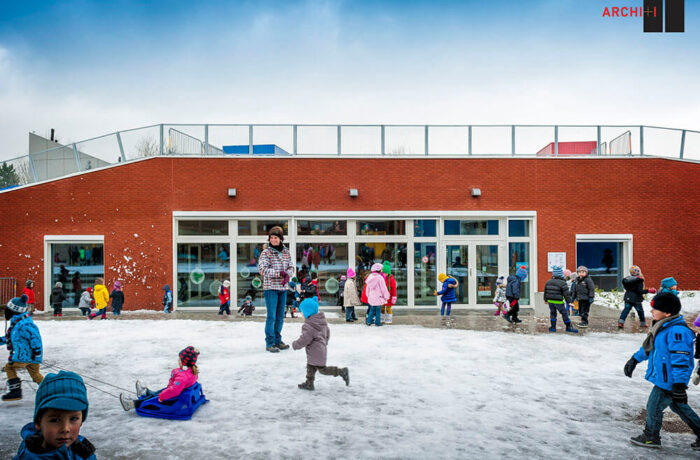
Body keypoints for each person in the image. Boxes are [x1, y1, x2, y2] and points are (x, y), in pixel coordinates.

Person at [623, 292, 700, 451]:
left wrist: (679, 385)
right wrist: (634, 360)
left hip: (670, 380)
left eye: (655, 309)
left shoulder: (677, 332)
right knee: (679, 408)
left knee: (654, 406)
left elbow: (682, 361)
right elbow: (650, 349)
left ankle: (651, 436)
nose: (651, 312)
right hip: (666, 378)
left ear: (667, 312)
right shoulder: (662, 326)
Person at [13, 370, 96, 459]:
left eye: (74, 419)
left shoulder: (84, 451)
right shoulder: (29, 456)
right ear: (38, 422)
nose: (65, 429)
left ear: (81, 421)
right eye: (55, 420)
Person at [292, 297, 349, 391]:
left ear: (307, 312)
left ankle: (341, 371)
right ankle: (309, 383)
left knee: (322, 369)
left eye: (301, 312)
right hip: (319, 349)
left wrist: (295, 344)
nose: (301, 314)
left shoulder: (309, 325)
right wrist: (324, 342)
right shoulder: (321, 322)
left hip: (316, 352)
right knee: (310, 366)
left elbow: (305, 339)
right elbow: (327, 333)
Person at [120, 347, 200, 411]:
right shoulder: (192, 372)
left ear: (184, 362)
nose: (178, 360)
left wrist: (162, 396)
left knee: (155, 397)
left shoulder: (183, 377)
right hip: (176, 391)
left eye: (179, 359)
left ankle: (131, 404)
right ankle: (145, 392)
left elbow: (174, 390)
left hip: (173, 398)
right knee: (160, 392)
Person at [257, 226, 294, 353]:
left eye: (276, 238)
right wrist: (280, 273)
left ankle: (278, 340)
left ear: (280, 239)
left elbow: (291, 267)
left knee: (280, 317)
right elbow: (262, 270)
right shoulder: (266, 253)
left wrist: (288, 274)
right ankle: (270, 342)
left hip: (283, 288)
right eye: (271, 238)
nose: (273, 240)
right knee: (271, 316)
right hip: (271, 288)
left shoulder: (286, 252)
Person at [1, 295, 43, 401]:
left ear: (14, 311)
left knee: (9, 367)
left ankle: (15, 392)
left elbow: (35, 339)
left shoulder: (24, 325)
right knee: (36, 375)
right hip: (30, 357)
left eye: (8, 310)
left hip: (25, 356)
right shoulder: (17, 323)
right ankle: (50, 389)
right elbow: (11, 338)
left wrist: (36, 353)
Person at [619, 266, 656, 330]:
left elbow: (628, 289)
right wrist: (649, 290)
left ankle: (621, 322)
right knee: (640, 311)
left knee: (626, 310)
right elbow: (639, 291)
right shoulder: (639, 281)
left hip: (628, 298)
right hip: (636, 299)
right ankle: (643, 323)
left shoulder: (627, 280)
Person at [543, 266, 578, 333]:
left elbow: (545, 291)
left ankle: (553, 327)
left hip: (550, 301)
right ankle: (568, 327)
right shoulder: (563, 283)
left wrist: (545, 300)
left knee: (553, 313)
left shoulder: (548, 281)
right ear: (561, 274)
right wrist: (569, 301)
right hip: (558, 301)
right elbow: (566, 294)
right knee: (564, 313)